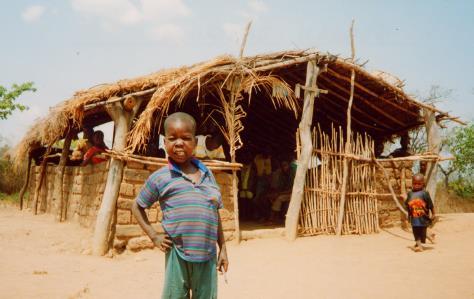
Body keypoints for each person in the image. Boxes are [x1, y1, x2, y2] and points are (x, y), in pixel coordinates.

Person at [131, 112, 228, 299]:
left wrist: (223, 248)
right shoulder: (161, 177)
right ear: (165, 142)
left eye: (186, 138)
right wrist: (154, 236)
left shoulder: (208, 175)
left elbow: (214, 214)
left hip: (208, 255)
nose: (179, 143)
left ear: (195, 141)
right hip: (177, 253)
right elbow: (136, 207)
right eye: (172, 138)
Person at [404, 173, 436, 252]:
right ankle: (419, 246)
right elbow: (408, 205)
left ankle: (419, 243)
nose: (416, 185)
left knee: (422, 232)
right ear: (412, 183)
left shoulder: (425, 193)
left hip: (423, 217)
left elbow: (430, 205)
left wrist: (434, 213)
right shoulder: (410, 194)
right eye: (415, 183)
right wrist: (408, 217)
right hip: (414, 218)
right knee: (415, 231)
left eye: (419, 184)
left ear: (423, 184)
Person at [267, 159, 296, 223]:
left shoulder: (293, 174)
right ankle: (275, 217)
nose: (284, 167)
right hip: (285, 193)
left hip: (293, 194)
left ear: (289, 165)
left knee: (279, 198)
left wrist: (279, 193)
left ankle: (271, 218)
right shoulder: (282, 175)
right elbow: (280, 186)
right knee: (270, 198)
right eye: (282, 166)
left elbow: (293, 189)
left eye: (285, 165)